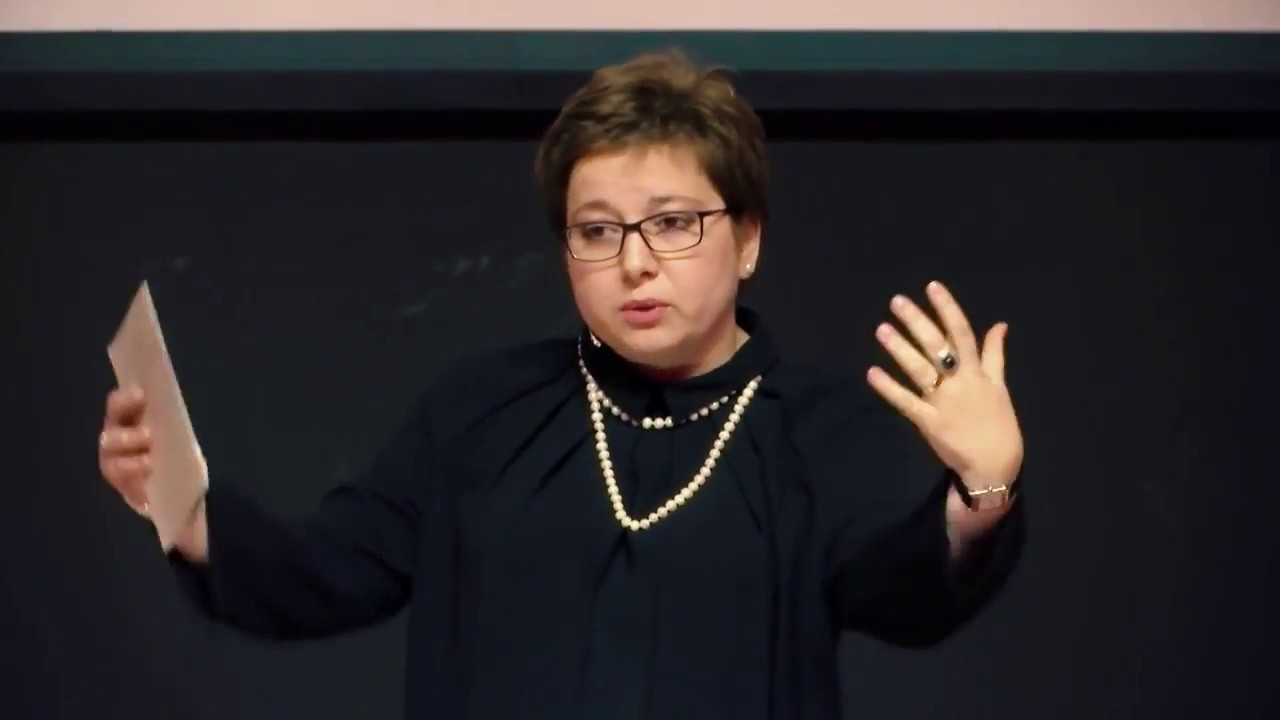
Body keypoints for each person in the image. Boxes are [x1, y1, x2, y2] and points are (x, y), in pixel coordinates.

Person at [97, 49, 1026, 720]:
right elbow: (328, 572)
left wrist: (981, 490)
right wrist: (177, 501)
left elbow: (902, 594)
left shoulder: (819, 430)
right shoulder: (481, 411)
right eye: (596, 231)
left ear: (747, 239)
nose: (634, 263)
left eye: (673, 223)